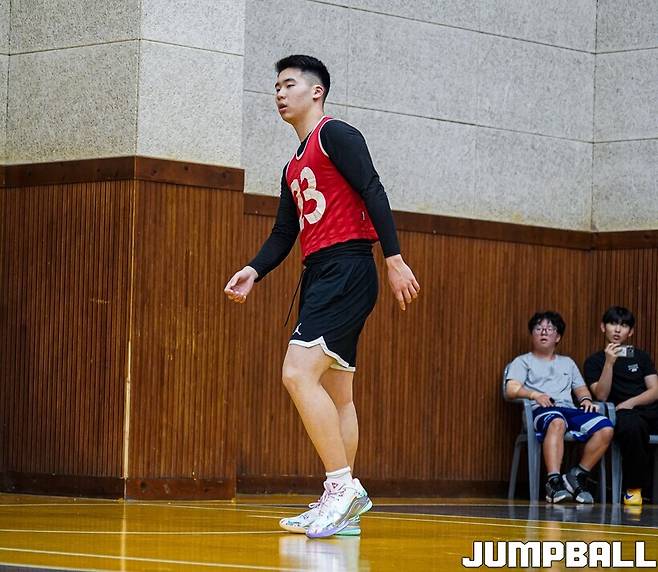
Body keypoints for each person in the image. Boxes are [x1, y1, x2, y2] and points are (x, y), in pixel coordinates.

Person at [224, 55, 419, 538]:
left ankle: (340, 487)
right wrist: (254, 270)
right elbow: (283, 233)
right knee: (339, 395)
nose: (279, 93)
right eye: (275, 87)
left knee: (296, 372)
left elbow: (372, 188)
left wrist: (394, 258)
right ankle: (345, 507)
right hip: (321, 273)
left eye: (288, 84)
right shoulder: (292, 164)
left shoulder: (336, 135)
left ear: (316, 91)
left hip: (348, 268)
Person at [505, 311, 613, 504]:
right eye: (538, 328)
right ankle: (554, 481)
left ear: (558, 337)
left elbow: (581, 389)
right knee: (557, 421)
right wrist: (534, 395)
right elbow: (511, 389)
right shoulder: (523, 361)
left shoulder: (567, 363)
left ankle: (576, 475)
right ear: (532, 335)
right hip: (540, 411)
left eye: (549, 329)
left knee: (605, 427)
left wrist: (586, 400)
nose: (543, 332)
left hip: (569, 410)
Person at [584, 306, 658, 506]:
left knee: (638, 421)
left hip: (644, 408)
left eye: (624, 325)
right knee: (633, 426)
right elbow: (601, 395)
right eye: (613, 323)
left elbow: (655, 390)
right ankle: (633, 490)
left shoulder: (641, 357)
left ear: (630, 332)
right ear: (603, 327)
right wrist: (609, 363)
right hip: (619, 415)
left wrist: (630, 403)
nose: (617, 329)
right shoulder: (594, 361)